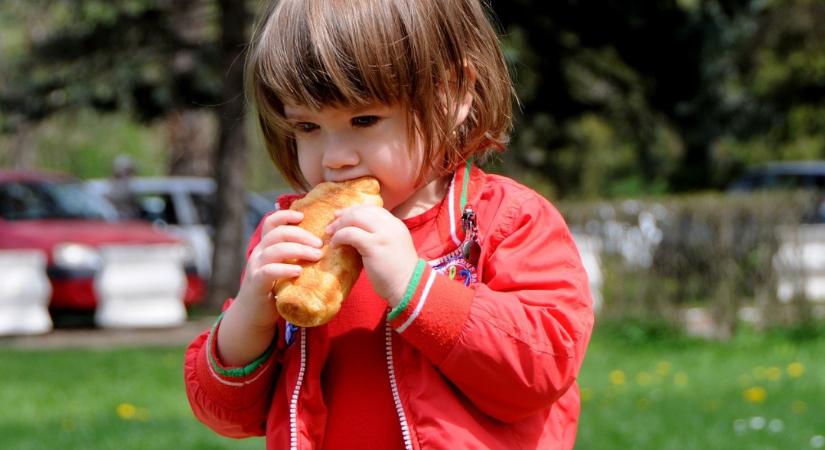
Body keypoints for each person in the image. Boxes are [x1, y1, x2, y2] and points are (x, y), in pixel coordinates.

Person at [184, 0, 594, 449]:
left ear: (453, 94)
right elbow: (226, 413)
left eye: (364, 119)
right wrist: (250, 315)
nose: (335, 157)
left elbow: (543, 368)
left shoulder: (506, 221)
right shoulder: (291, 236)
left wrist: (415, 288)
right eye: (306, 127)